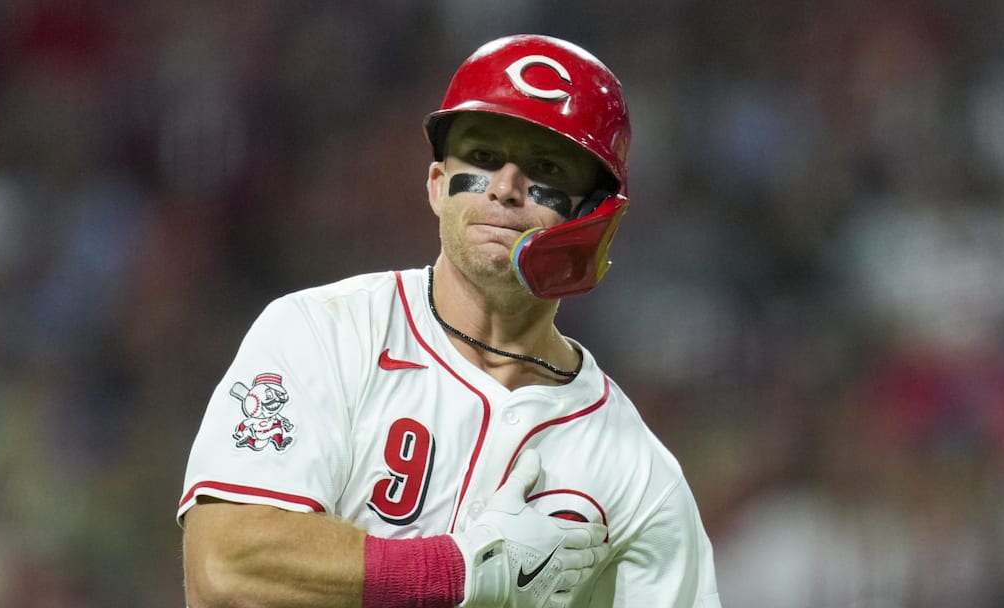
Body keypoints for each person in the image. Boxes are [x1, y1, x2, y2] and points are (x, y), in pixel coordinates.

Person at [178, 34, 721, 608]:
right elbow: (224, 567)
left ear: (594, 216)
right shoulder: (325, 333)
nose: (505, 188)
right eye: (483, 158)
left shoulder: (637, 473)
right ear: (438, 186)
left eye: (545, 168)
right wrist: (457, 571)